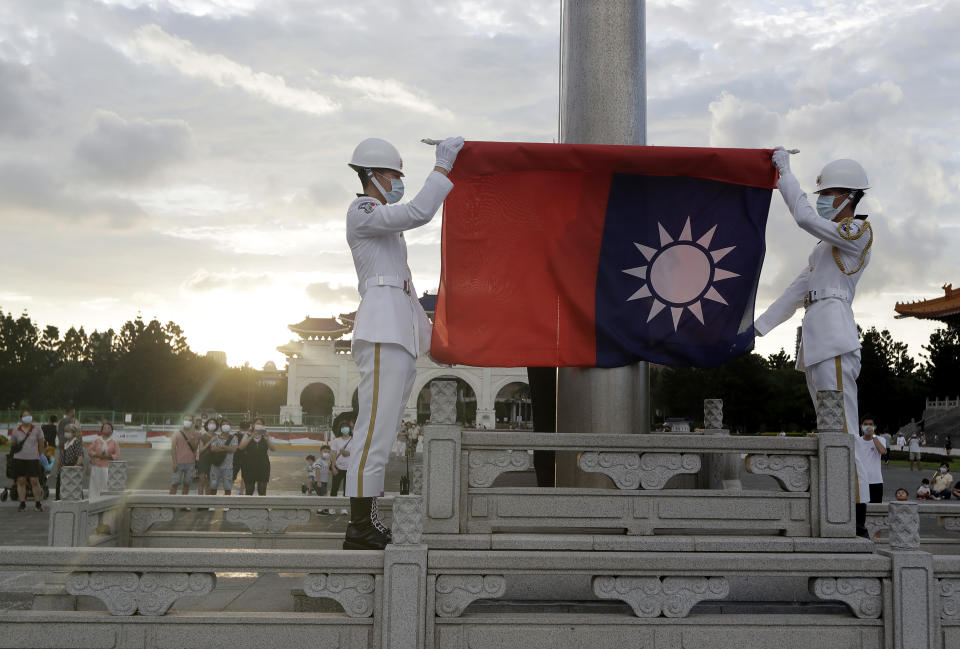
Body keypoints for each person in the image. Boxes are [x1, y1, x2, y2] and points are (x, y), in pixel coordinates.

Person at [342, 135, 465, 550]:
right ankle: (358, 526)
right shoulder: (363, 209)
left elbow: (411, 295)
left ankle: (367, 518)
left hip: (397, 332)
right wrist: (443, 168)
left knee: (386, 428)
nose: (398, 180)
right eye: (394, 174)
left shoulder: (390, 234)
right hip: (380, 330)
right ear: (372, 175)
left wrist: (435, 346)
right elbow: (417, 212)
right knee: (373, 427)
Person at [853, 416, 885, 537]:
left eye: (870, 424)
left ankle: (877, 538)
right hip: (861, 481)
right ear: (861, 426)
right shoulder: (857, 441)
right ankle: (861, 536)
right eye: (865, 424)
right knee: (861, 512)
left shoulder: (880, 439)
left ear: (874, 427)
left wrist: (874, 436)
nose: (868, 426)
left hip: (876, 481)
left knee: (876, 513)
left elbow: (882, 451)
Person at [10, 409, 45, 512]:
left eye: (29, 415)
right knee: (21, 481)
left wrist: (40, 455)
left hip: (33, 458)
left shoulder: (37, 429)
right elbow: (13, 444)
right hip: (19, 458)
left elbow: (41, 444)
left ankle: (38, 503)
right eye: (25, 416)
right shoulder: (16, 430)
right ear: (21, 418)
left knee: (34, 481)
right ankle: (22, 503)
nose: (27, 417)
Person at [238, 418, 275, 495]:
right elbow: (241, 447)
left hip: (263, 465)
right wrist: (251, 436)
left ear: (263, 426)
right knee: (249, 489)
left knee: (262, 489)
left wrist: (267, 439)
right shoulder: (248, 434)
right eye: (257, 423)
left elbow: (273, 449)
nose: (258, 425)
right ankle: (248, 506)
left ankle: (262, 505)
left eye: (260, 424)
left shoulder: (265, 434)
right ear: (253, 425)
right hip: (249, 465)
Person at [207, 419, 238, 503]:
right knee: (213, 486)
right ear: (220, 427)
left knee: (228, 487)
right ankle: (212, 504)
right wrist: (227, 448)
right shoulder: (215, 437)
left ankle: (226, 504)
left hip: (228, 466)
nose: (225, 426)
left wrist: (221, 447)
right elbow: (213, 449)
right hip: (215, 465)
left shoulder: (234, 437)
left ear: (230, 427)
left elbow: (234, 449)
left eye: (227, 424)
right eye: (223, 424)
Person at [88, 422, 118, 500]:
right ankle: (93, 501)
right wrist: (96, 455)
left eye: (109, 428)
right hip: (96, 466)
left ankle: (104, 502)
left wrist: (108, 457)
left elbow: (117, 455)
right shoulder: (97, 441)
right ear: (101, 430)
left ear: (112, 431)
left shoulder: (114, 442)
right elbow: (90, 450)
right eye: (105, 428)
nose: (106, 429)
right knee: (94, 485)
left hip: (107, 467)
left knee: (105, 485)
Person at [170, 417, 198, 500]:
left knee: (187, 484)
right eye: (186, 420)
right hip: (179, 462)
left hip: (191, 463)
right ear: (182, 421)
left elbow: (195, 448)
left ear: (192, 422)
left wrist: (192, 439)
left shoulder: (193, 434)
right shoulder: (176, 433)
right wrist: (174, 462)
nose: (187, 422)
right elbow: (173, 449)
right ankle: (170, 502)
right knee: (175, 483)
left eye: (189, 420)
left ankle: (184, 504)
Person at [329, 421, 353, 515]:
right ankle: (332, 507)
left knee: (347, 489)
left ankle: (344, 508)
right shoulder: (336, 441)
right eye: (343, 428)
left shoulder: (354, 440)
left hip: (350, 468)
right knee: (334, 488)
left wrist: (349, 453)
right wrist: (333, 467)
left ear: (350, 430)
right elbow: (333, 454)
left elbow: (357, 453)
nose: (345, 429)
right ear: (340, 429)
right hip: (338, 467)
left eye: (347, 427)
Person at [196, 418, 220, 497]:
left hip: (213, 461)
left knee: (209, 482)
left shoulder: (217, 436)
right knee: (201, 481)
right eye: (210, 422)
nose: (212, 424)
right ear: (207, 425)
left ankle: (207, 503)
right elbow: (201, 450)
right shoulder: (203, 436)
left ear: (216, 426)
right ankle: (200, 502)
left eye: (214, 423)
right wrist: (210, 441)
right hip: (203, 460)